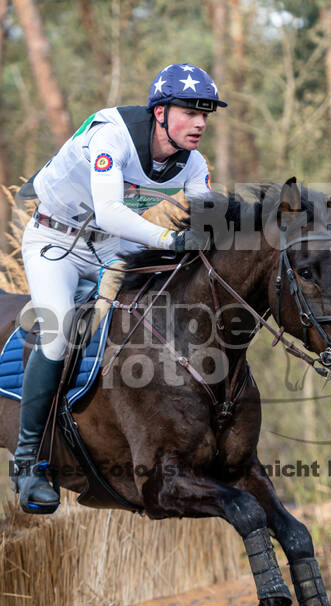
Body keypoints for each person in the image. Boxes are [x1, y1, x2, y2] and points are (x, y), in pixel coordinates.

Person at [13, 63, 227, 514]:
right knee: (57, 334)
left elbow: (208, 227)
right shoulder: (111, 133)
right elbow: (110, 211)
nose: (201, 123)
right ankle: (29, 461)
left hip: (112, 246)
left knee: (163, 315)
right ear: (161, 112)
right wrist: (170, 240)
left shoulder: (195, 164)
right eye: (191, 111)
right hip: (56, 240)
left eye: (206, 113)